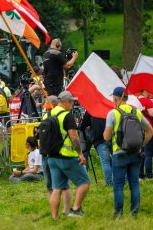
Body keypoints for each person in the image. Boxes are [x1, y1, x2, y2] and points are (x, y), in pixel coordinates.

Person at [103, 87, 153, 218]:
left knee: (118, 186)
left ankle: (119, 214)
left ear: (116, 98)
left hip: (119, 154)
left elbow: (107, 137)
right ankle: (134, 213)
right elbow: (150, 131)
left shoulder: (112, 113)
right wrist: (142, 145)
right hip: (136, 153)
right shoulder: (136, 111)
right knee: (134, 184)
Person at [46, 91, 90, 219]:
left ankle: (54, 217)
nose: (72, 104)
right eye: (71, 102)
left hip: (52, 157)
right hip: (67, 157)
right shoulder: (67, 116)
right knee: (84, 182)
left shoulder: (49, 114)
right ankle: (75, 210)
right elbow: (74, 137)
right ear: (65, 102)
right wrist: (80, 154)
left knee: (57, 188)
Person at [80, 112, 112, 186]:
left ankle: (109, 183)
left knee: (105, 162)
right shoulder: (110, 108)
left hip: (99, 139)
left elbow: (82, 126)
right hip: (113, 137)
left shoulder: (91, 110)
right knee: (116, 161)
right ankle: (122, 181)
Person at [138, 90, 153, 180]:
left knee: (141, 152)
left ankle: (140, 175)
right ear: (143, 91)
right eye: (147, 90)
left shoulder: (136, 101)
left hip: (138, 129)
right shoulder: (147, 101)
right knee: (148, 153)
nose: (149, 92)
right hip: (149, 129)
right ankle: (149, 175)